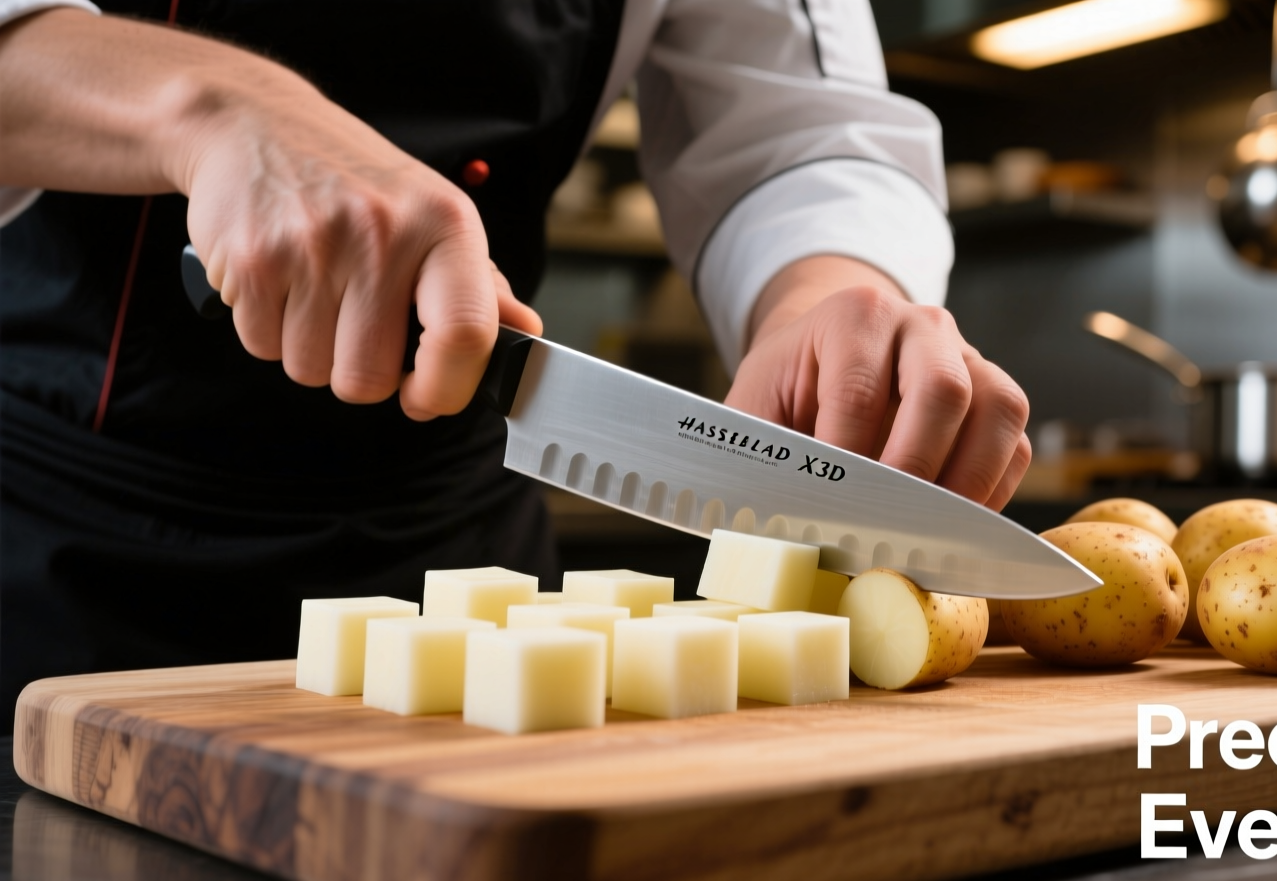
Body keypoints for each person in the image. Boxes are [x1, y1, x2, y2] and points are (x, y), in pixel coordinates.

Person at [0, 0, 1032, 721]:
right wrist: (205, 106)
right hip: (51, 539)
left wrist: (833, 297)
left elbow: (797, 128)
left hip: (462, 544)